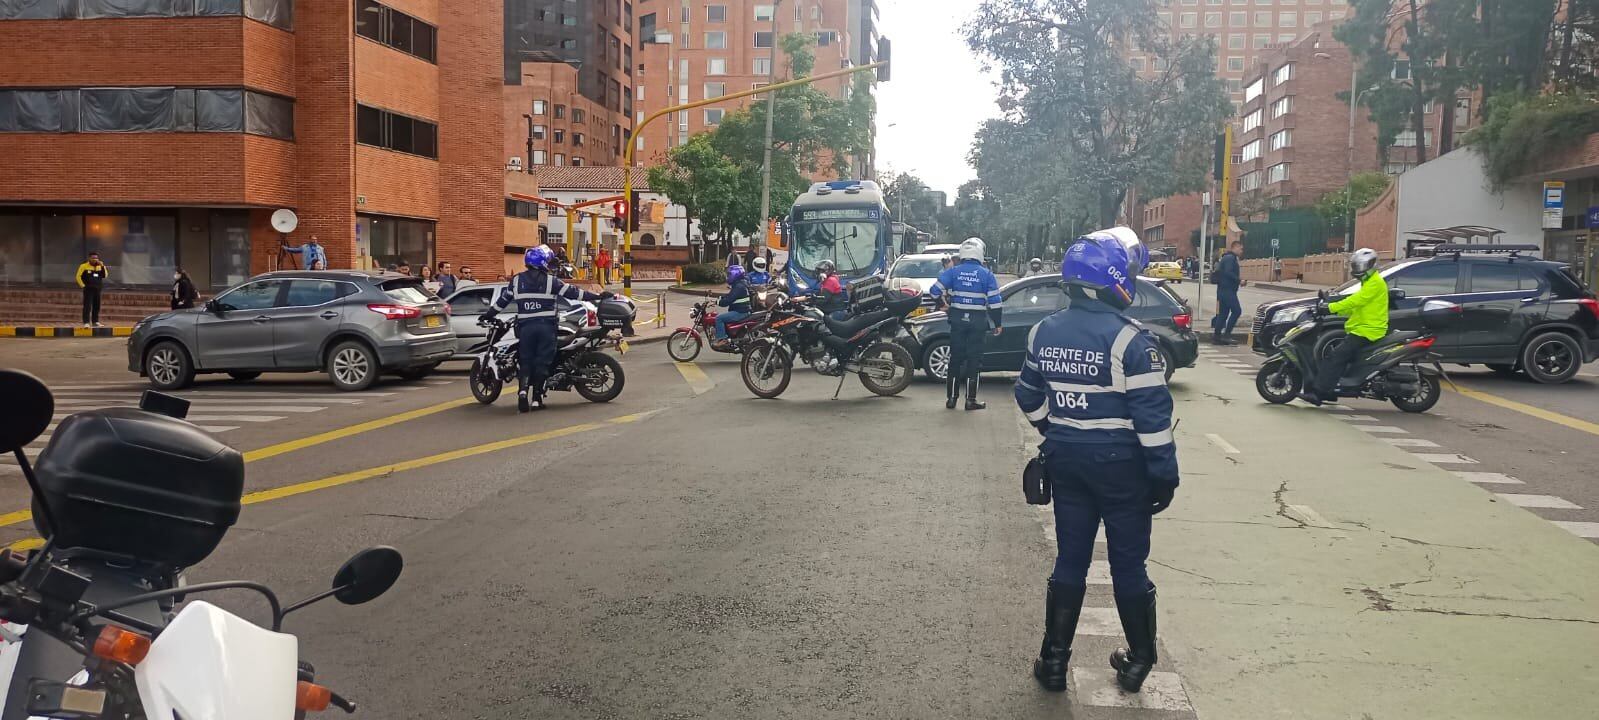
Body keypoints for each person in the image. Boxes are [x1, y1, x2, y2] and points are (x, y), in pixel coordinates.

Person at [1014, 226, 1178, 696]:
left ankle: (1053, 662)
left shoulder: (1043, 331)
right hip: (1123, 472)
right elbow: (1152, 421)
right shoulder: (1132, 341)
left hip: (1067, 464)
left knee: (1071, 561)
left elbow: (1027, 394)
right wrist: (1164, 478)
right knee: (1128, 566)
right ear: (1113, 280)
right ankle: (1138, 660)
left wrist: (1055, 430)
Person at [482, 246, 613, 413]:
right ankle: (536, 399)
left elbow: (502, 301)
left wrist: (488, 315)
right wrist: (598, 296)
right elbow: (574, 293)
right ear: (543, 262)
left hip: (525, 328)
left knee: (526, 360)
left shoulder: (516, 281)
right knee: (542, 362)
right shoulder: (551, 281)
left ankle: (522, 392)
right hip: (546, 328)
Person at [1306, 248, 1388, 406]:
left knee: (1335, 357)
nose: (1356, 269)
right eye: (1355, 266)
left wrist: (1330, 308)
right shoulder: (1369, 282)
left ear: (1368, 266)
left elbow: (1356, 301)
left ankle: (1319, 393)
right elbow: (1354, 306)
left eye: (1359, 266)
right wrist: (1333, 309)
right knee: (1339, 356)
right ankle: (1332, 391)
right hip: (1361, 329)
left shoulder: (1375, 283)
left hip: (1368, 331)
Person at [929, 238, 1003, 410]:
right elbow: (995, 302)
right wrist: (997, 323)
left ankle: (951, 399)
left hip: (957, 321)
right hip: (978, 322)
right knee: (974, 360)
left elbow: (934, 291)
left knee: (955, 359)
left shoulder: (953, 272)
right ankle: (970, 400)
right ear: (980, 254)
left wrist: (942, 306)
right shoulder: (986, 274)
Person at [1210, 241, 1246, 345]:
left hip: (1222, 290)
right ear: (1235, 247)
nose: (1241, 251)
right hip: (1227, 290)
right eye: (1241, 249)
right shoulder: (1231, 258)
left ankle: (1217, 337)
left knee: (1223, 314)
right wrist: (1239, 280)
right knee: (1237, 311)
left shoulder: (1226, 257)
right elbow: (1228, 272)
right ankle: (1227, 335)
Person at [713, 264, 753, 349]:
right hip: (742, 310)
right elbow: (730, 295)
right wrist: (721, 298)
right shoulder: (739, 284)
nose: (728, 276)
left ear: (735, 274)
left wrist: (719, 302)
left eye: (729, 274)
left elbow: (728, 300)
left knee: (719, 318)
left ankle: (722, 339)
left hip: (741, 312)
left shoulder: (739, 286)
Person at [75, 252, 108, 327]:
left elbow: (105, 275)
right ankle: (86, 322)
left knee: (97, 306)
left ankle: (95, 321)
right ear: (89, 258)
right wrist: (83, 286)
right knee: (87, 306)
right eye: (93, 258)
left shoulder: (100, 266)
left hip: (97, 289)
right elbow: (78, 276)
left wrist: (102, 266)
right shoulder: (83, 266)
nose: (95, 259)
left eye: (96, 258)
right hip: (88, 289)